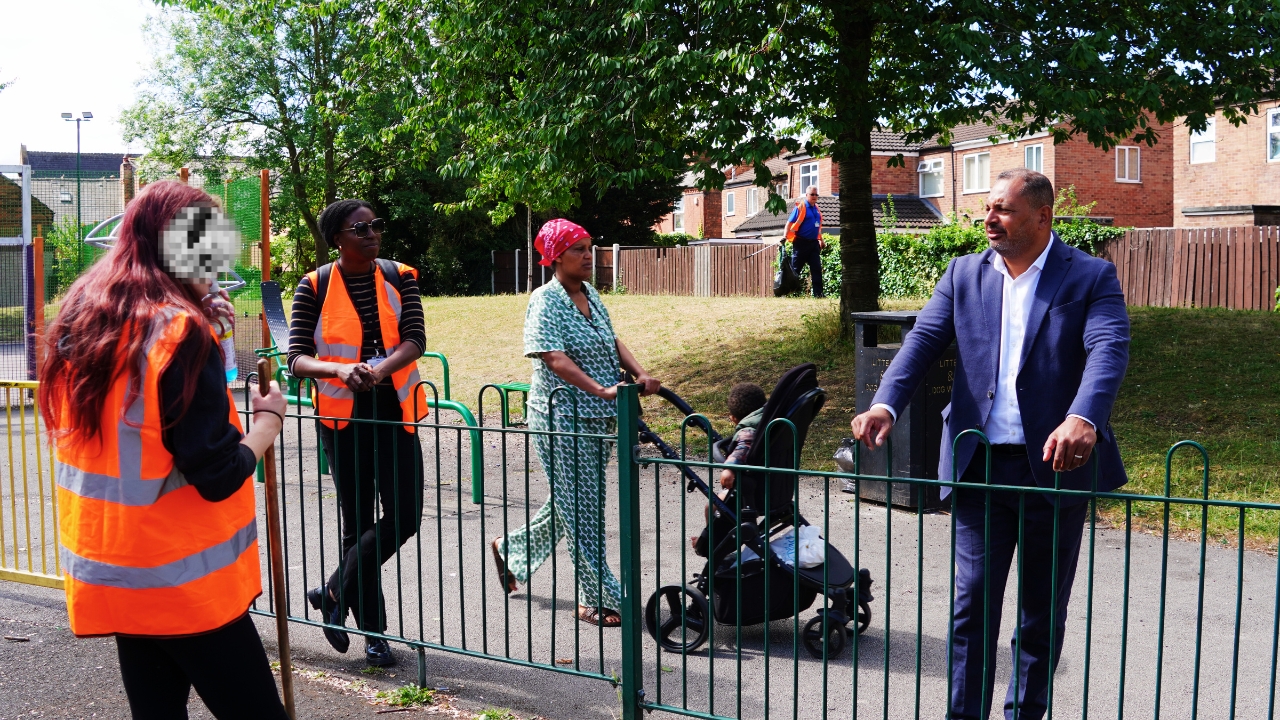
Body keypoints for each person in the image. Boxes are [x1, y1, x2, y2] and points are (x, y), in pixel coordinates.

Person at [849, 169, 1129, 720]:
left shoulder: (1090, 276)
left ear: (1042, 217)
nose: (988, 220)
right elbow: (923, 340)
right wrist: (885, 403)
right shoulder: (963, 273)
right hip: (979, 467)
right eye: (988, 209)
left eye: (1003, 209)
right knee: (971, 610)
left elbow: (1108, 348)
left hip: (1052, 469)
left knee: (1040, 616)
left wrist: (1083, 417)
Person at [39, 180, 290, 719]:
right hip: (184, 586)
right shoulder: (178, 332)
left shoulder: (85, 315)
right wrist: (268, 421)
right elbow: (217, 471)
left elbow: (146, 414)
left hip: (119, 574)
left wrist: (207, 325)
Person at [490, 219, 661, 627]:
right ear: (555, 257)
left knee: (576, 502)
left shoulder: (591, 294)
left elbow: (612, 340)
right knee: (585, 508)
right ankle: (594, 597)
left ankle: (511, 550)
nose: (589, 255)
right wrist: (600, 389)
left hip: (600, 417)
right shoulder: (545, 300)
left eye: (589, 247)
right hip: (561, 418)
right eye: (578, 249)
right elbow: (554, 357)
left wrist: (639, 372)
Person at [288, 199, 428, 667]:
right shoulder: (314, 285)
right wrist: (340, 369)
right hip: (342, 418)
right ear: (337, 239)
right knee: (359, 522)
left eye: (376, 226)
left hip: (395, 409)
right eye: (360, 228)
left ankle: (333, 589)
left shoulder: (401, 276)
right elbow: (297, 358)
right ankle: (375, 633)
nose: (372, 234)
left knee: (405, 515)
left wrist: (377, 369)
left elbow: (415, 339)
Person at [691, 381, 766, 550]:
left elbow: (744, 445)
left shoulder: (748, 430)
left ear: (733, 418)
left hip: (752, 495)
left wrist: (730, 468)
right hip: (774, 488)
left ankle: (713, 545)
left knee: (713, 506)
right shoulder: (768, 421)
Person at [783, 185, 826, 298]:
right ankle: (787, 293)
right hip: (801, 244)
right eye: (812, 194)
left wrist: (821, 240)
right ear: (806, 195)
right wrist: (784, 236)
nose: (814, 196)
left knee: (816, 269)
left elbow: (817, 227)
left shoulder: (817, 209)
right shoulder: (801, 207)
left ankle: (819, 294)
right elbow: (789, 223)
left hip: (813, 244)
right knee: (795, 270)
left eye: (816, 194)